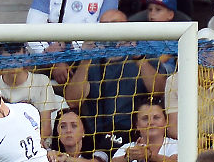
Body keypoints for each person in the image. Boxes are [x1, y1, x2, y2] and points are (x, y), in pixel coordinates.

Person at [63, 9, 169, 154]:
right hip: (95, 137)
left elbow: (159, 91)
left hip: (134, 135)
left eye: (114, 24)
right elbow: (73, 101)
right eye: (104, 25)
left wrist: (138, 57)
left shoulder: (144, 54)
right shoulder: (90, 60)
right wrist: (86, 58)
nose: (109, 29)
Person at [0, 42, 63, 143]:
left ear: (26, 58)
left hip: (37, 145)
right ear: (0, 61)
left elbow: (46, 129)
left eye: (18, 60)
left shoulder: (41, 81)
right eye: (8, 61)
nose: (13, 65)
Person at [109, 99, 178, 162]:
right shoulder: (129, 147)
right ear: (137, 125)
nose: (151, 122)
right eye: (145, 119)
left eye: (156, 118)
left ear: (166, 122)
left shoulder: (175, 145)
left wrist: (149, 155)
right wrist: (129, 156)